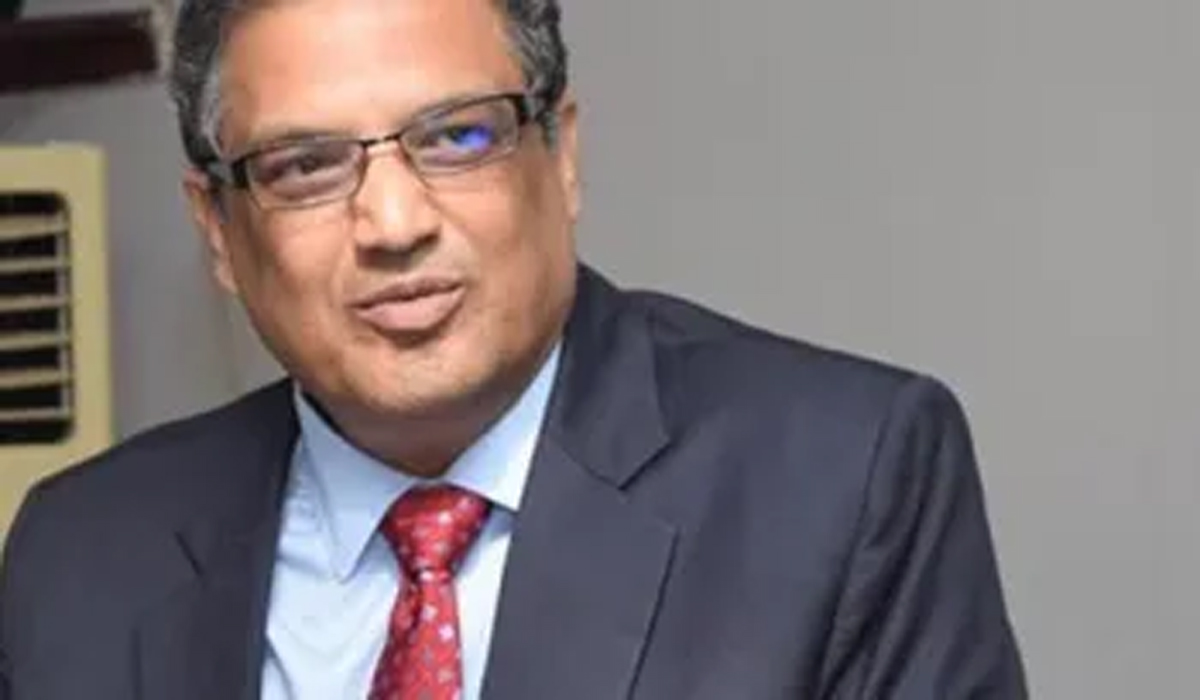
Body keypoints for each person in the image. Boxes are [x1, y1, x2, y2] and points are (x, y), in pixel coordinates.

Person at [0, 0, 1027, 697]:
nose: (393, 222)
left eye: (458, 137)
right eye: (306, 165)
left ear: (561, 155)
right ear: (220, 231)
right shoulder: (83, 553)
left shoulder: (843, 479)